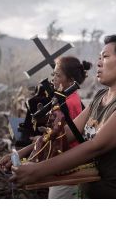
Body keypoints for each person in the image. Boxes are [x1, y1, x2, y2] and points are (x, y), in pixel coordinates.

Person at [0, 34, 116, 198]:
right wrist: (21, 153)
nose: (98, 63)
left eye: (105, 57)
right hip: (88, 190)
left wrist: (38, 170)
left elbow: (97, 145)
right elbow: (68, 132)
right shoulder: (100, 96)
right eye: (99, 57)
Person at [46, 56, 92, 199]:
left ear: (71, 80)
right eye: (53, 74)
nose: (53, 78)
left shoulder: (68, 103)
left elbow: (64, 135)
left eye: (58, 75)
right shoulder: (68, 98)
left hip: (68, 164)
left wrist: (45, 138)